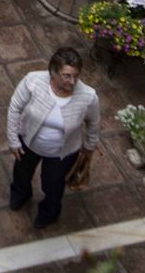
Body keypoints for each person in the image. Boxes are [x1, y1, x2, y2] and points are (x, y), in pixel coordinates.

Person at [6, 46, 100, 230]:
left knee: (54, 186)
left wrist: (89, 147)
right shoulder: (32, 81)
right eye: (66, 75)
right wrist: (13, 140)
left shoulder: (88, 96)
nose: (72, 81)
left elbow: (94, 124)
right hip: (28, 142)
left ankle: (49, 212)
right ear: (53, 72)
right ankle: (20, 194)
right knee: (21, 173)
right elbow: (14, 108)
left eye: (76, 76)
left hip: (63, 153)